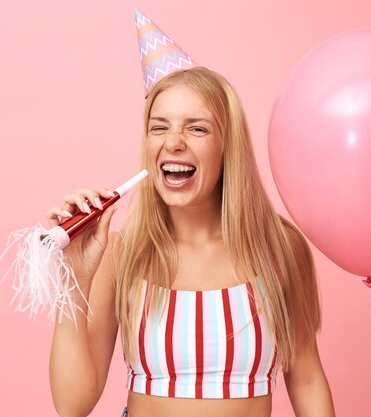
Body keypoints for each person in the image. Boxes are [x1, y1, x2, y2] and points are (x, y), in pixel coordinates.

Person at [47, 66, 335, 417]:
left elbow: (306, 378)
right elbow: (72, 404)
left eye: (196, 128)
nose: (173, 143)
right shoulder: (122, 254)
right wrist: (73, 279)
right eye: (159, 127)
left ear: (228, 145)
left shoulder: (279, 247)